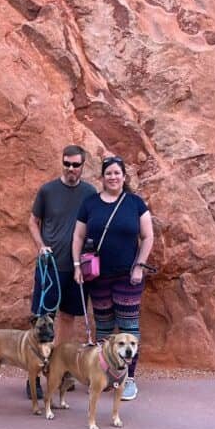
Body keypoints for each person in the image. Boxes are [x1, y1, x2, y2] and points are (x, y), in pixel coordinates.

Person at [71, 155, 153, 401]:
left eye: (117, 173)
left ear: (124, 176)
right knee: (104, 327)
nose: (113, 177)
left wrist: (139, 266)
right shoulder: (90, 204)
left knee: (128, 328)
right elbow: (77, 237)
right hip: (97, 276)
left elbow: (148, 236)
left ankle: (128, 378)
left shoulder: (135, 203)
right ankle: (104, 374)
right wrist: (77, 265)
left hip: (128, 276)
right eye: (109, 173)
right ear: (102, 178)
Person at [27, 144, 97, 398]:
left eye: (75, 165)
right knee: (42, 317)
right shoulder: (47, 191)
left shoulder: (90, 193)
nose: (70, 169)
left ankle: (61, 370)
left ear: (82, 165)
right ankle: (34, 373)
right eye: (66, 164)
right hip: (49, 266)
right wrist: (41, 246)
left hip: (76, 269)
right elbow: (33, 221)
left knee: (68, 318)